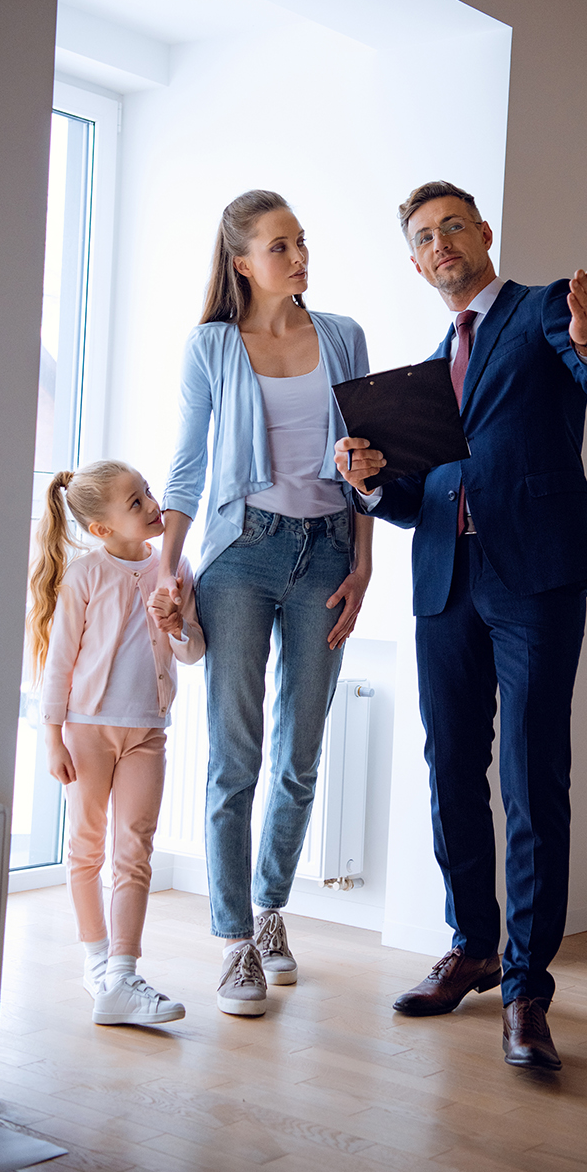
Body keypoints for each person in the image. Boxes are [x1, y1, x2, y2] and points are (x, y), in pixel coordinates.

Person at [335, 180, 587, 1070]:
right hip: (445, 580)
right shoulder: (433, 365)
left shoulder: (546, 311)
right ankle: (472, 943)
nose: (440, 245)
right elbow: (420, 491)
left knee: (531, 773)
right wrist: (369, 479)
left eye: (452, 227)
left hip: (536, 578)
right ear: (414, 259)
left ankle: (525, 986)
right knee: (450, 769)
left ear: (483, 233)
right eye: (425, 237)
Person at [152, 189, 372, 1018]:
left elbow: (366, 463)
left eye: (302, 241)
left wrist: (364, 563)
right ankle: (234, 941)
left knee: (301, 749)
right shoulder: (212, 346)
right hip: (240, 555)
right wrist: (168, 572)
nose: (299, 256)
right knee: (234, 755)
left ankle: (272, 909)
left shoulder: (344, 337)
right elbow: (185, 468)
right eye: (281, 246)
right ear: (243, 262)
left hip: (326, 555)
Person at [28, 460, 204, 1025]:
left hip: (147, 732)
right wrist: (51, 735)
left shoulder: (175, 570)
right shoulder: (85, 576)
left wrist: (176, 623)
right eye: (135, 502)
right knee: (86, 846)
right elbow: (58, 665)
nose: (153, 504)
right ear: (102, 530)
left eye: (148, 492)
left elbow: (194, 651)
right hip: (86, 729)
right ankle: (96, 960)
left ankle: (124, 976)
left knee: (135, 849)